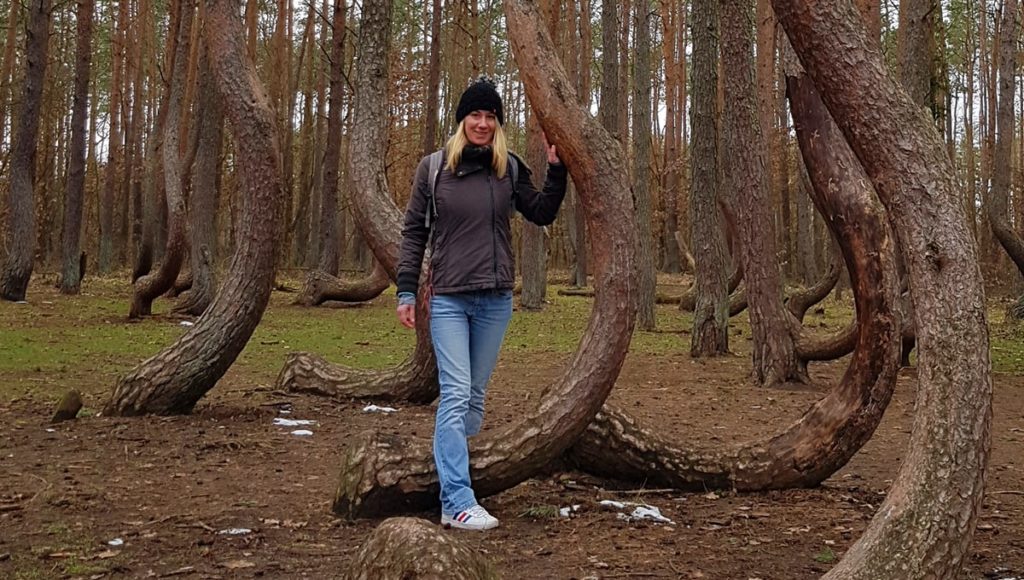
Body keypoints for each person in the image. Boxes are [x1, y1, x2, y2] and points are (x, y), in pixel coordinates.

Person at [396, 76, 567, 531]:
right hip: (449, 298)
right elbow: (414, 232)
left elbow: (542, 211)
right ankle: (456, 501)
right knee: (454, 394)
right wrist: (406, 290)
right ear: (461, 120)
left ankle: (458, 470)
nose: (483, 123)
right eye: (475, 115)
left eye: (491, 116)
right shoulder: (433, 170)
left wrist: (557, 168)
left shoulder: (507, 169)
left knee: (473, 399)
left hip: (494, 301)